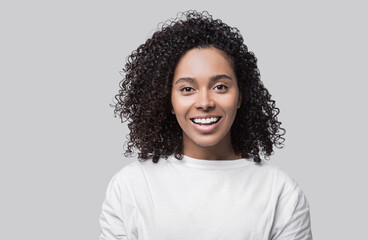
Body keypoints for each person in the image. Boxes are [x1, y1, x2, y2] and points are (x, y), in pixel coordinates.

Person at [99, 10, 313, 240]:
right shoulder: (130, 187)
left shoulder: (280, 192)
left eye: (220, 86)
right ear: (169, 101)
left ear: (240, 96)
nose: (204, 103)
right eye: (187, 89)